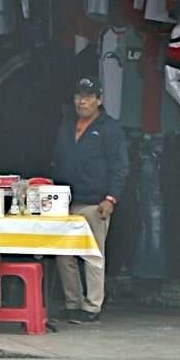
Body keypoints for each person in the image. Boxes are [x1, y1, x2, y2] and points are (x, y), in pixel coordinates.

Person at [52, 77, 128, 325]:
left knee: (93, 254)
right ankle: (73, 303)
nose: (82, 100)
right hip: (67, 201)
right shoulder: (66, 126)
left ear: (99, 99)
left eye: (87, 96)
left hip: (96, 202)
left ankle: (92, 306)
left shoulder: (110, 128)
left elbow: (120, 167)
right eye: (78, 95)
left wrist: (111, 199)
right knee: (64, 255)